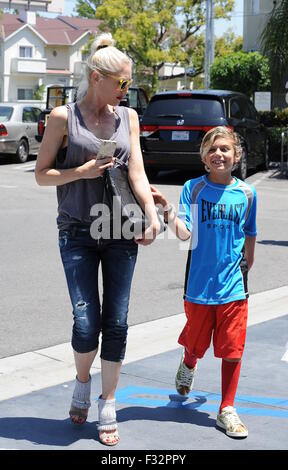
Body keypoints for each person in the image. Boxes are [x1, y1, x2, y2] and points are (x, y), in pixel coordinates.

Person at [35, 32, 160, 446]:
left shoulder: (128, 118)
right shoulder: (62, 117)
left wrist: (150, 214)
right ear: (96, 78)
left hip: (120, 228)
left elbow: (137, 173)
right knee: (86, 323)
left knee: (117, 322)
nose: (126, 90)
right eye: (121, 82)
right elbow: (41, 175)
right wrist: (81, 172)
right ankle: (82, 381)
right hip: (76, 230)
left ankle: (108, 402)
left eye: (128, 83)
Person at [151, 126, 257, 438]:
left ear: (236, 156)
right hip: (198, 287)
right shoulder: (193, 189)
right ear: (204, 157)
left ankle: (227, 408)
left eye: (225, 148)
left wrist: (248, 265)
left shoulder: (248, 194)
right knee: (196, 343)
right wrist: (169, 211)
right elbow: (185, 234)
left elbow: (250, 232)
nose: (219, 154)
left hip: (234, 287)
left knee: (233, 349)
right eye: (212, 149)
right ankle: (189, 361)